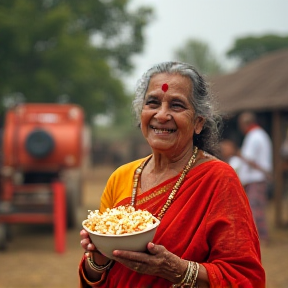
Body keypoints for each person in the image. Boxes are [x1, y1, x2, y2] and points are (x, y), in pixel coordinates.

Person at [79, 62, 265, 288]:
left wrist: (178, 270)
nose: (162, 115)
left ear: (198, 122)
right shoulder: (121, 177)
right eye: (153, 103)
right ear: (142, 114)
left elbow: (244, 278)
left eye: (177, 106)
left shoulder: (218, 179)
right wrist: (97, 259)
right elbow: (96, 276)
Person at [237, 111, 273, 245]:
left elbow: (249, 159)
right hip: (257, 178)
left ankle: (262, 237)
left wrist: (238, 154)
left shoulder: (254, 136)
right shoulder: (260, 134)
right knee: (255, 207)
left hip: (255, 178)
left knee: (255, 208)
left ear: (245, 123)